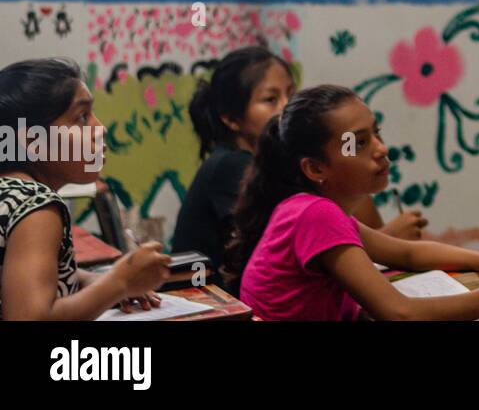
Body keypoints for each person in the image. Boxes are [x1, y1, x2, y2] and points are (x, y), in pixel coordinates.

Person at [227, 85, 479, 320]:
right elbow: (399, 313)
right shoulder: (315, 214)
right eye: (360, 143)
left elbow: (407, 252)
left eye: (376, 134)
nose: (381, 149)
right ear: (315, 168)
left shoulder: (316, 210)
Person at [174, 46, 427, 289]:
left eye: (291, 94)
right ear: (229, 117)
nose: (285, 108)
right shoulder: (233, 166)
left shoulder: (295, 166)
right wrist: (390, 236)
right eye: (270, 99)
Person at [0, 58, 170, 320]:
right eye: (81, 117)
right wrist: (119, 283)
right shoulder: (37, 207)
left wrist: (97, 283)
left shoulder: (9, 192)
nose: (100, 129)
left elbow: (27, 272)